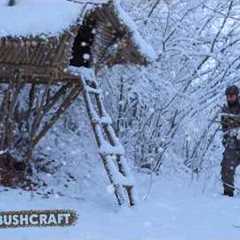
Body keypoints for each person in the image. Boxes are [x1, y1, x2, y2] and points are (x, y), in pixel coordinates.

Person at [221, 85, 240, 197]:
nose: (229, 98)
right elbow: (224, 128)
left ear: (237, 95)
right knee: (226, 166)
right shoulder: (225, 110)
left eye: (232, 96)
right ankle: (228, 193)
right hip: (232, 144)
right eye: (228, 96)